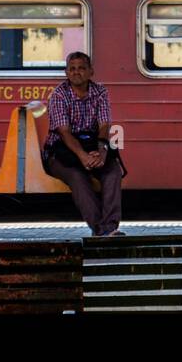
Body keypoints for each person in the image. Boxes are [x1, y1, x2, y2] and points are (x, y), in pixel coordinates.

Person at [42, 52, 125, 237]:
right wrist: (83, 156)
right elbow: (64, 133)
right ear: (66, 73)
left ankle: (110, 227)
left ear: (91, 72)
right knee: (78, 178)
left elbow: (104, 125)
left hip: (93, 147)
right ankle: (101, 230)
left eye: (81, 68)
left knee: (113, 172)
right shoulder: (59, 95)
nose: (76, 72)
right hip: (62, 153)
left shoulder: (100, 92)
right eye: (72, 69)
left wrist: (101, 151)